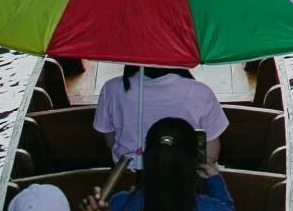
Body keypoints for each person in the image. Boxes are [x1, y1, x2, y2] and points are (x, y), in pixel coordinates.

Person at [93, 68, 229, 174]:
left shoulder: (112, 89)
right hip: (186, 180)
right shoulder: (200, 92)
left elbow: (111, 141)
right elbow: (211, 154)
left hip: (126, 176)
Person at [88, 117, 231, 210]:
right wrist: (215, 181)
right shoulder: (210, 207)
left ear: (147, 158)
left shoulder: (120, 202)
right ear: (193, 162)